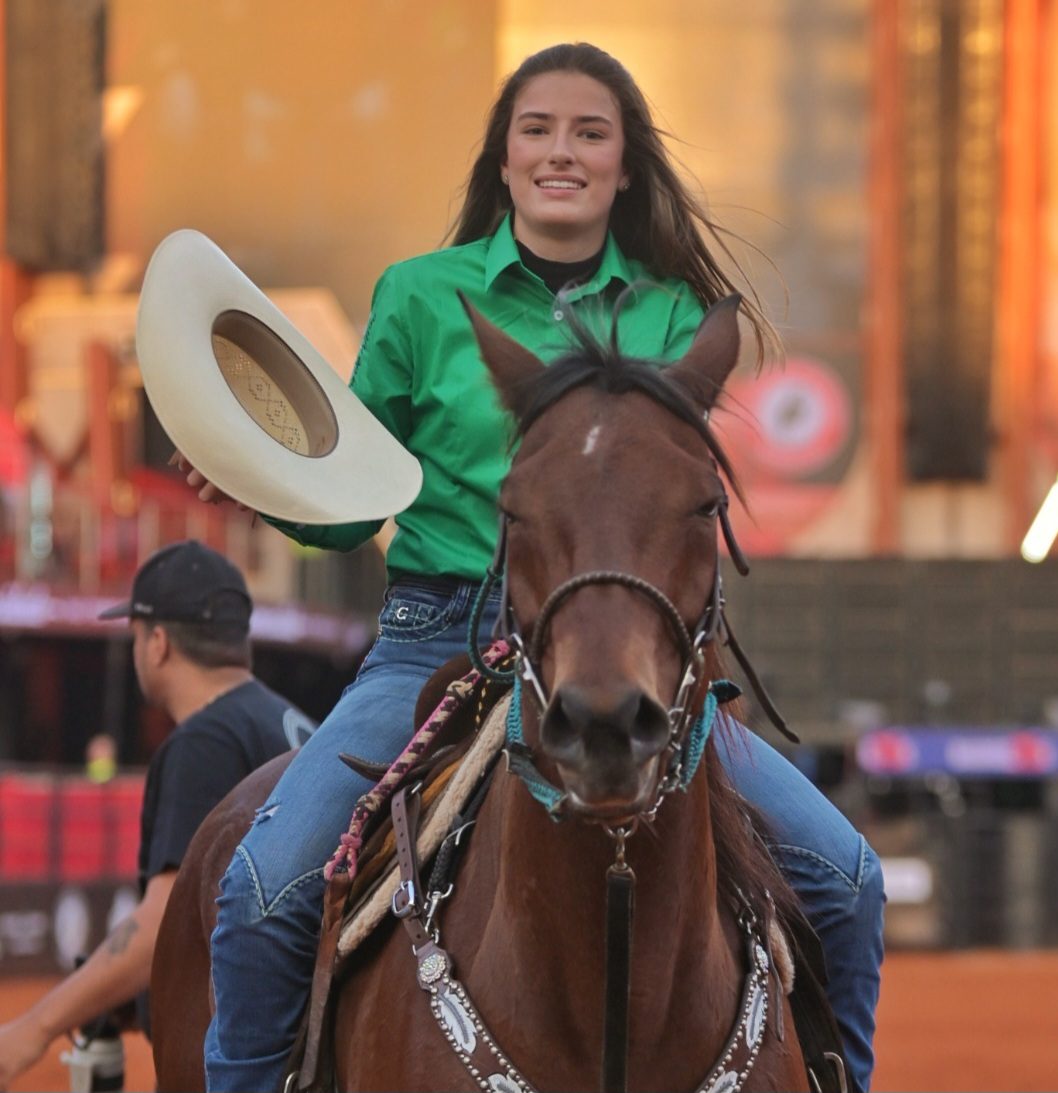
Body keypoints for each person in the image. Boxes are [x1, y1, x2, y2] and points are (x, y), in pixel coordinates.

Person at [190, 43, 885, 1093]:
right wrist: (254, 475)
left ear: (623, 166)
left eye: (589, 133)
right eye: (538, 130)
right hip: (432, 642)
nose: (562, 151)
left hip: (627, 652)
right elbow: (348, 507)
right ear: (504, 159)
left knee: (847, 881)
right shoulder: (418, 298)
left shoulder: (670, 314)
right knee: (262, 891)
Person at [0, 540, 313, 1091]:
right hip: (305, 1036)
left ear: (159, 642)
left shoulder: (207, 740)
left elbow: (161, 922)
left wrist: (33, 1028)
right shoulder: (290, 719)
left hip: (245, 1057)